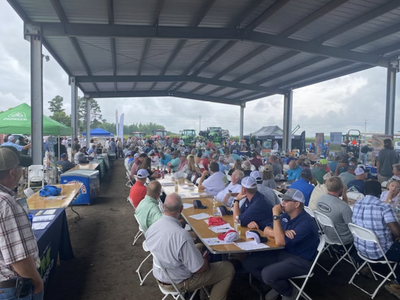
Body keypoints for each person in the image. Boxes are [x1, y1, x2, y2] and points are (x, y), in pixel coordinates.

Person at [145, 193, 235, 300]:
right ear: (181, 209)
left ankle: (203, 293)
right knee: (227, 268)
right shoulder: (182, 236)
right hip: (178, 282)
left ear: (163, 207)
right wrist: (205, 261)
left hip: (162, 274)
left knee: (200, 245)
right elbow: (200, 269)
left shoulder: (153, 227)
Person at [243, 189, 319, 300]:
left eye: (287, 201)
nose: (282, 203)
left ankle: (290, 292)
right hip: (283, 252)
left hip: (301, 260)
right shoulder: (286, 216)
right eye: (283, 200)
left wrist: (275, 215)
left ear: (297, 204)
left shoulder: (306, 223)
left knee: (267, 274)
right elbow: (266, 229)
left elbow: (279, 241)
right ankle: (278, 286)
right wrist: (281, 233)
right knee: (249, 262)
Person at [0, 147, 44, 299]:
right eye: (20, 167)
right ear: (12, 173)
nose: (22, 171)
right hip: (11, 287)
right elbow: (18, 257)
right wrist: (37, 282)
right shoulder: (6, 203)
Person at [351, 181, 400, 297]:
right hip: (380, 253)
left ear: (364, 192)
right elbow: (397, 232)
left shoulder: (357, 204)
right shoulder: (384, 207)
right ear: (380, 193)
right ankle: (397, 285)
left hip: (360, 249)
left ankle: (368, 267)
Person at [315, 177, 353, 245]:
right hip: (343, 238)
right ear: (341, 188)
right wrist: (344, 194)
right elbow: (351, 226)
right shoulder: (343, 207)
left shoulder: (320, 200)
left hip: (327, 234)